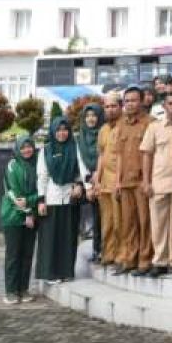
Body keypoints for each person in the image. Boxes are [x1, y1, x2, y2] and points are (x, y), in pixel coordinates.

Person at [139, 91, 172, 277]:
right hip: (158, 182)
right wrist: (146, 181)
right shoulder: (154, 127)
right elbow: (147, 154)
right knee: (158, 224)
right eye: (170, 103)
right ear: (164, 106)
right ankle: (159, 261)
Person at [35, 115, 83, 283]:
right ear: (53, 132)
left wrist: (79, 185)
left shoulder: (74, 148)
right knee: (50, 238)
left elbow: (80, 170)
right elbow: (42, 176)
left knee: (68, 237)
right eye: (58, 130)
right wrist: (41, 200)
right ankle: (50, 273)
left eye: (65, 130)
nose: (62, 133)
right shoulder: (46, 150)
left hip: (70, 198)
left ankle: (66, 271)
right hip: (52, 199)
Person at [0, 135, 39, 303]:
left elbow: (41, 191)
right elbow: (15, 195)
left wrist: (31, 208)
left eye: (29, 146)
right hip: (13, 217)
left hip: (31, 216)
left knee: (27, 254)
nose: (27, 150)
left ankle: (23, 289)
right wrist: (28, 213)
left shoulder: (38, 165)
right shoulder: (12, 165)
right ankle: (10, 291)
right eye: (23, 147)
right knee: (13, 255)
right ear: (17, 149)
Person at [91, 91, 121, 267]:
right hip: (105, 184)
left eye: (113, 106)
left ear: (120, 107)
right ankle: (108, 254)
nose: (110, 110)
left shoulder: (124, 127)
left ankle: (120, 255)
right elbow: (101, 156)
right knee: (107, 223)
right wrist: (97, 180)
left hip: (120, 183)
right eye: (107, 106)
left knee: (120, 222)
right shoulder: (103, 130)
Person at [75, 102, 104, 262]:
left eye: (94, 115)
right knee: (96, 215)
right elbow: (81, 162)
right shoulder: (80, 138)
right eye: (88, 116)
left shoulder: (104, 132)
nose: (91, 119)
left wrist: (98, 178)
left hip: (104, 180)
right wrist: (88, 187)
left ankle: (107, 250)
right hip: (89, 183)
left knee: (105, 217)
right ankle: (97, 249)